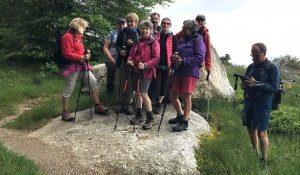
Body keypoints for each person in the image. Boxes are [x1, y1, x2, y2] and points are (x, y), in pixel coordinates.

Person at [61, 18, 108, 122]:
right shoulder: (68, 36)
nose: (85, 29)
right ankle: (65, 112)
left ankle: (97, 105)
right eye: (84, 27)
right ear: (79, 26)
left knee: (93, 82)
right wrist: (82, 57)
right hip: (72, 66)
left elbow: (78, 51)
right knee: (69, 88)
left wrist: (85, 55)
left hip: (82, 65)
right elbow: (66, 53)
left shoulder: (78, 37)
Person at [240, 43, 280, 163]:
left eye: (257, 55)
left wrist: (255, 84)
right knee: (250, 128)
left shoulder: (272, 67)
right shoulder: (251, 66)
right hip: (249, 101)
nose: (254, 58)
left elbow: (274, 88)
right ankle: (255, 153)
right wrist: (244, 85)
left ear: (264, 53)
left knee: (261, 131)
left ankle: (264, 159)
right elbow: (246, 83)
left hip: (263, 103)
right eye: (252, 55)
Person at [168, 20, 205, 132]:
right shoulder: (182, 39)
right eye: (183, 27)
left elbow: (200, 57)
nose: (183, 29)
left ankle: (185, 121)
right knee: (172, 94)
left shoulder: (198, 40)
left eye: (185, 28)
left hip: (190, 72)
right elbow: (176, 53)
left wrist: (183, 61)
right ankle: (180, 114)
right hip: (179, 71)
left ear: (192, 29)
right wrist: (173, 58)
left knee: (186, 96)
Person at [127, 20, 160, 130]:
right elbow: (131, 54)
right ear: (140, 29)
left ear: (150, 30)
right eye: (143, 28)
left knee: (143, 93)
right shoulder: (137, 41)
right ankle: (139, 115)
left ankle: (150, 118)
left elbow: (156, 59)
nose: (144, 30)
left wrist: (145, 65)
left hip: (147, 72)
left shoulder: (154, 42)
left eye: (147, 29)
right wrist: (130, 61)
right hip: (135, 70)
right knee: (137, 93)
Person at [148, 17, 178, 114]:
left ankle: (159, 103)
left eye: (168, 23)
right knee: (155, 83)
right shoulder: (156, 35)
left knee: (164, 85)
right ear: (161, 24)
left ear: (170, 25)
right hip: (156, 64)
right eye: (164, 23)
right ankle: (151, 102)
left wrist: (172, 67)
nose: (165, 25)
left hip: (167, 65)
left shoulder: (173, 37)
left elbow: (175, 52)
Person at [115, 13, 140, 115]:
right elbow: (117, 45)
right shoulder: (122, 32)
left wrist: (133, 44)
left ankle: (129, 103)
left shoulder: (139, 32)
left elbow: (141, 46)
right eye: (128, 21)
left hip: (134, 63)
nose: (129, 23)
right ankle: (119, 102)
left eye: (131, 21)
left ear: (136, 22)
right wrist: (120, 50)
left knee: (130, 83)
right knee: (120, 81)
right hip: (122, 61)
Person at [103, 18, 126, 94]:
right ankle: (109, 95)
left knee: (121, 78)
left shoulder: (127, 34)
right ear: (117, 25)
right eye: (120, 24)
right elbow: (105, 47)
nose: (121, 26)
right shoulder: (112, 34)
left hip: (122, 60)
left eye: (123, 24)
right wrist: (110, 57)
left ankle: (120, 94)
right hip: (111, 59)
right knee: (110, 78)